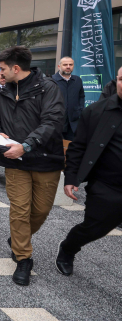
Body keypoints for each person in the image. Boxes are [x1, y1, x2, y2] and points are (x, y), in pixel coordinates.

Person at [0, 46, 65, 286]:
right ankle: (23, 258)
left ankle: (17, 239)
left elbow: (52, 121)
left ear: (16, 68)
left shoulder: (48, 88)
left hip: (45, 160)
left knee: (40, 211)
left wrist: (27, 145)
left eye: (2, 68)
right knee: (19, 210)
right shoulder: (3, 90)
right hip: (15, 162)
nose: (0, 72)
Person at [56, 65, 122, 277]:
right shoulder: (96, 111)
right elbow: (78, 147)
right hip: (106, 185)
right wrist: (70, 178)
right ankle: (68, 248)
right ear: (116, 81)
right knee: (95, 228)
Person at [52, 57, 85, 141]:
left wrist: (79, 110)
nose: (68, 67)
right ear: (59, 66)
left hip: (73, 123)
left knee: (72, 146)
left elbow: (81, 96)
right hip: (56, 123)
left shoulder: (77, 80)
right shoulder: (51, 81)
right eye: (65, 65)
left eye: (70, 64)